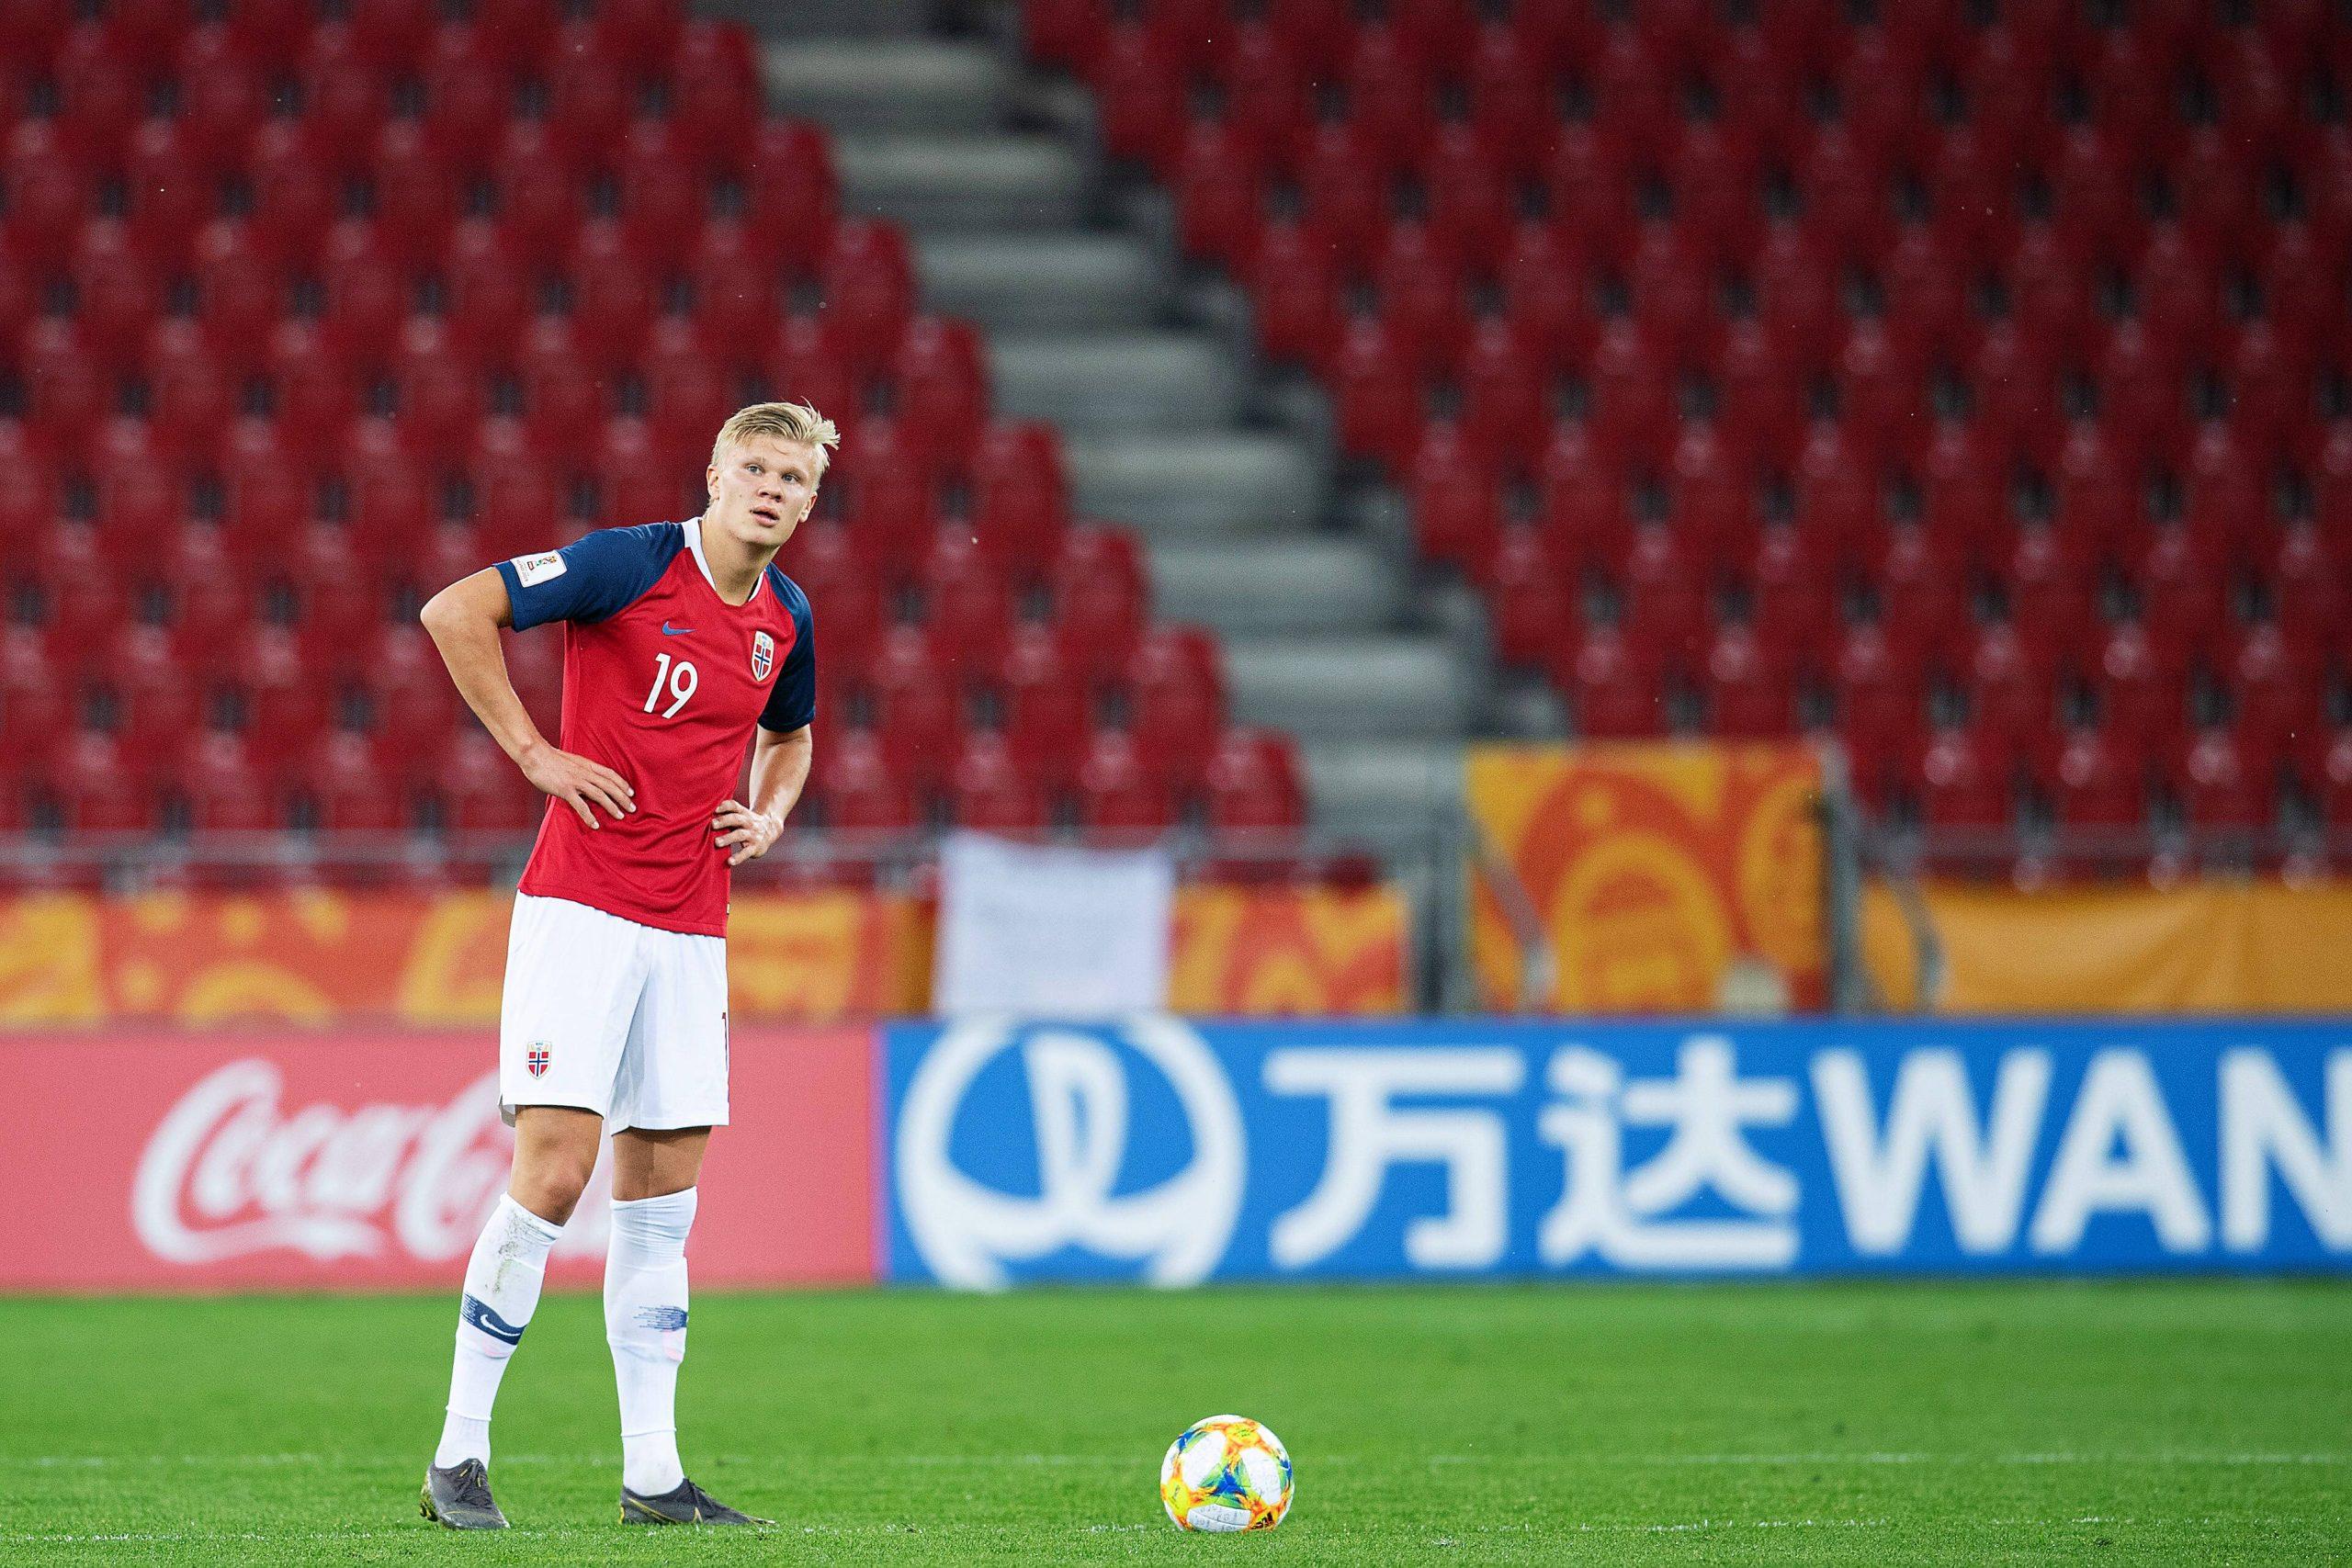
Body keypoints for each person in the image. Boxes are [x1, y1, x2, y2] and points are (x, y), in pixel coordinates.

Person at [413, 401, 837, 1529]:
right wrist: (533, 752)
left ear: (808, 503)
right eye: (756, 468)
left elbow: (791, 735)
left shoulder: (787, 617)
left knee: (661, 1203)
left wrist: (769, 813)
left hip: (692, 929)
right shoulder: (629, 564)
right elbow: (454, 609)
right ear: (715, 473)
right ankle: (458, 1454)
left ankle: (653, 1474)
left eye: (793, 480)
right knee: (555, 1175)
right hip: (581, 912)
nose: (772, 491)